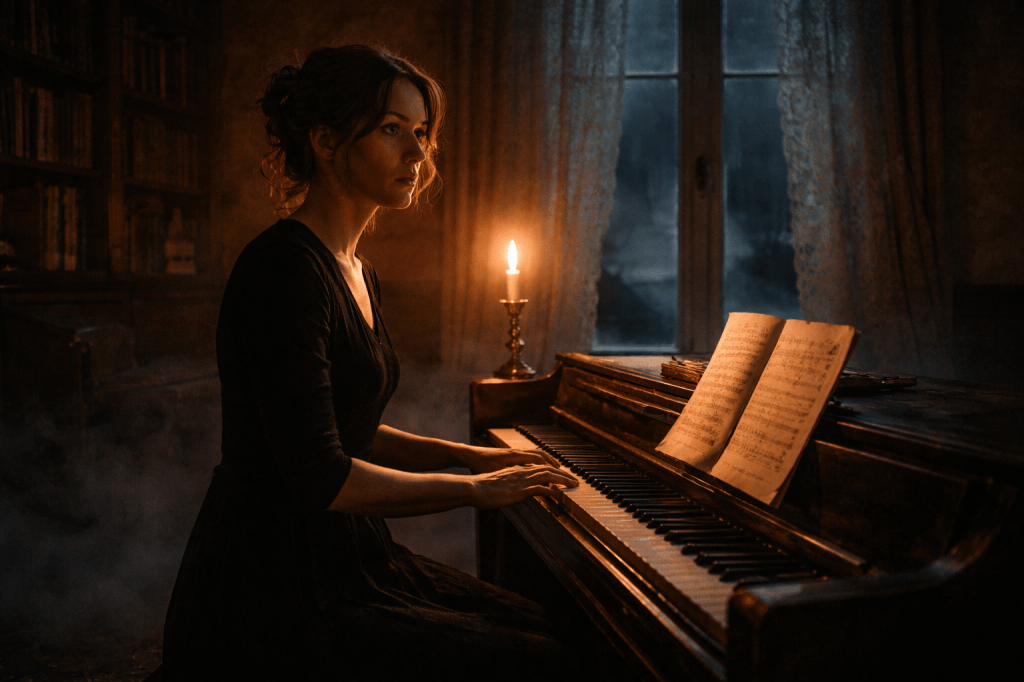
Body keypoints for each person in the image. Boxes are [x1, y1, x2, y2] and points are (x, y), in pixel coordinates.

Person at [150, 45, 580, 681]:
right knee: (535, 657)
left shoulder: (357, 270)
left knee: (545, 625)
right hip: (273, 579)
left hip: (347, 554)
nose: (417, 153)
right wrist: (473, 492)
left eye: (422, 133)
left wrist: (466, 455)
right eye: (391, 130)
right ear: (326, 141)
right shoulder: (283, 270)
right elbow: (322, 474)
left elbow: (344, 426)